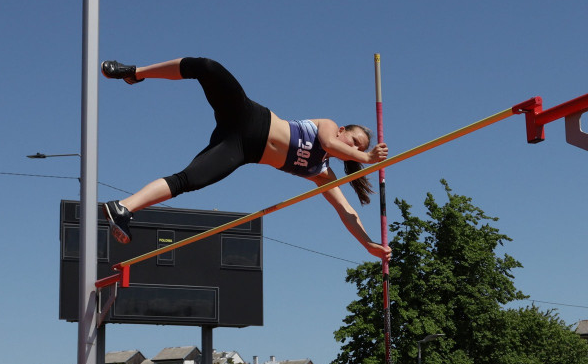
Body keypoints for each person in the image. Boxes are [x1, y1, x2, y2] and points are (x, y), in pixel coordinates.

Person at [100, 57, 390, 262]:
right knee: (206, 67)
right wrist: (365, 156)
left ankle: (124, 208)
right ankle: (136, 72)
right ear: (343, 131)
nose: (355, 148)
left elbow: (346, 211)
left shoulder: (322, 172)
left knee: (189, 180)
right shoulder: (326, 126)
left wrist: (368, 245)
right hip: (247, 115)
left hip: (240, 149)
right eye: (354, 141)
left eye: (359, 148)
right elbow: (329, 144)